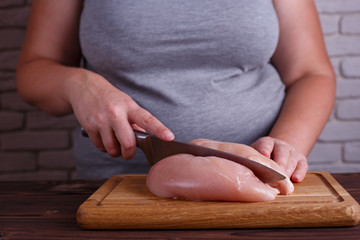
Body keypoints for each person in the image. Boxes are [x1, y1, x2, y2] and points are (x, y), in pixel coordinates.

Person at [16, 0, 336, 182]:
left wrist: (286, 145)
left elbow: (311, 73)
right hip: (117, 184)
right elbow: (34, 69)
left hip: (260, 178)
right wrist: (78, 84)